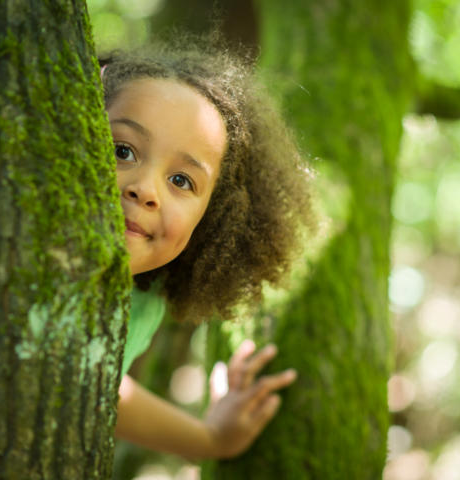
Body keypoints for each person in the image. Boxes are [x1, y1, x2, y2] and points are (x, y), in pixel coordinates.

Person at [99, 40, 313, 460]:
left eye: (181, 181)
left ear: (211, 224)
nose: (144, 189)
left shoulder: (141, 306)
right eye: (122, 151)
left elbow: (100, 384)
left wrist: (210, 440)